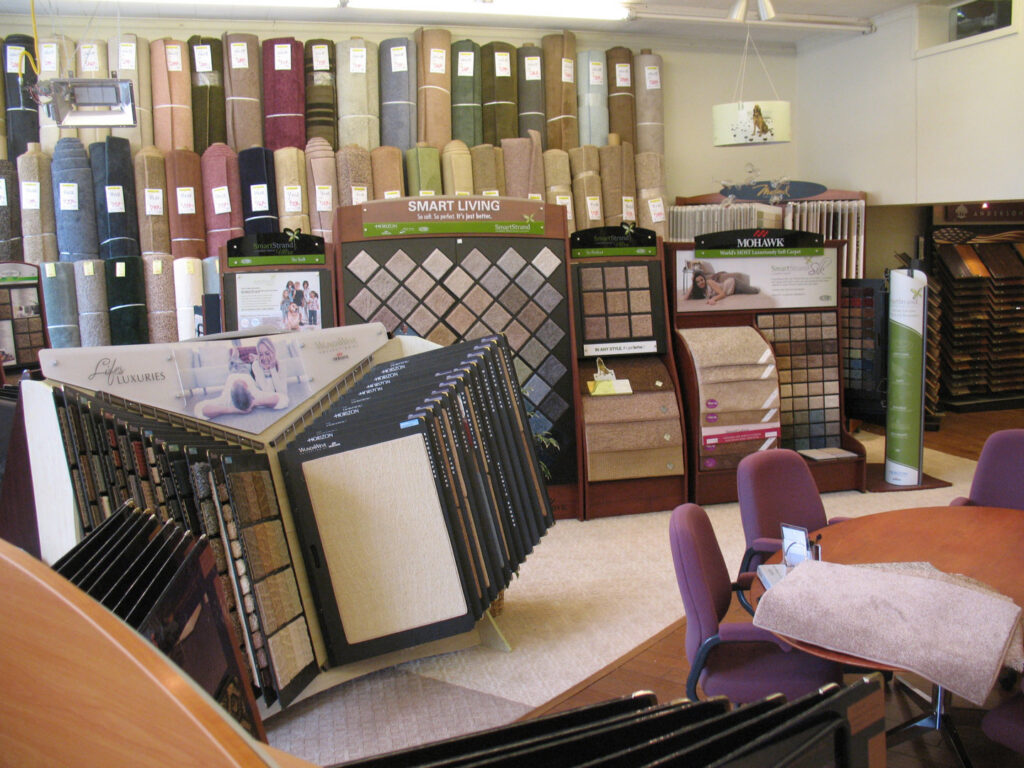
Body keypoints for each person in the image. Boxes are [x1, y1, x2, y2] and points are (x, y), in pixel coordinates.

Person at [193, 337, 290, 419]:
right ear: (248, 388)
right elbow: (283, 399)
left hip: (236, 373)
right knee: (241, 364)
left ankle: (236, 353)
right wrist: (254, 403)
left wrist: (230, 409)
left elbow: (199, 408)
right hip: (246, 372)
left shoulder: (225, 399)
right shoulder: (254, 394)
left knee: (235, 363)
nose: (240, 382)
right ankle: (237, 354)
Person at [685, 269, 759, 305]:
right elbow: (685, 298)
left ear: (704, 279)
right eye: (697, 282)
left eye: (701, 280)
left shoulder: (709, 282)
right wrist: (692, 282)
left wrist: (713, 299)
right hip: (732, 292)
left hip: (733, 284)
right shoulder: (700, 291)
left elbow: (722, 294)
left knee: (755, 291)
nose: (701, 283)